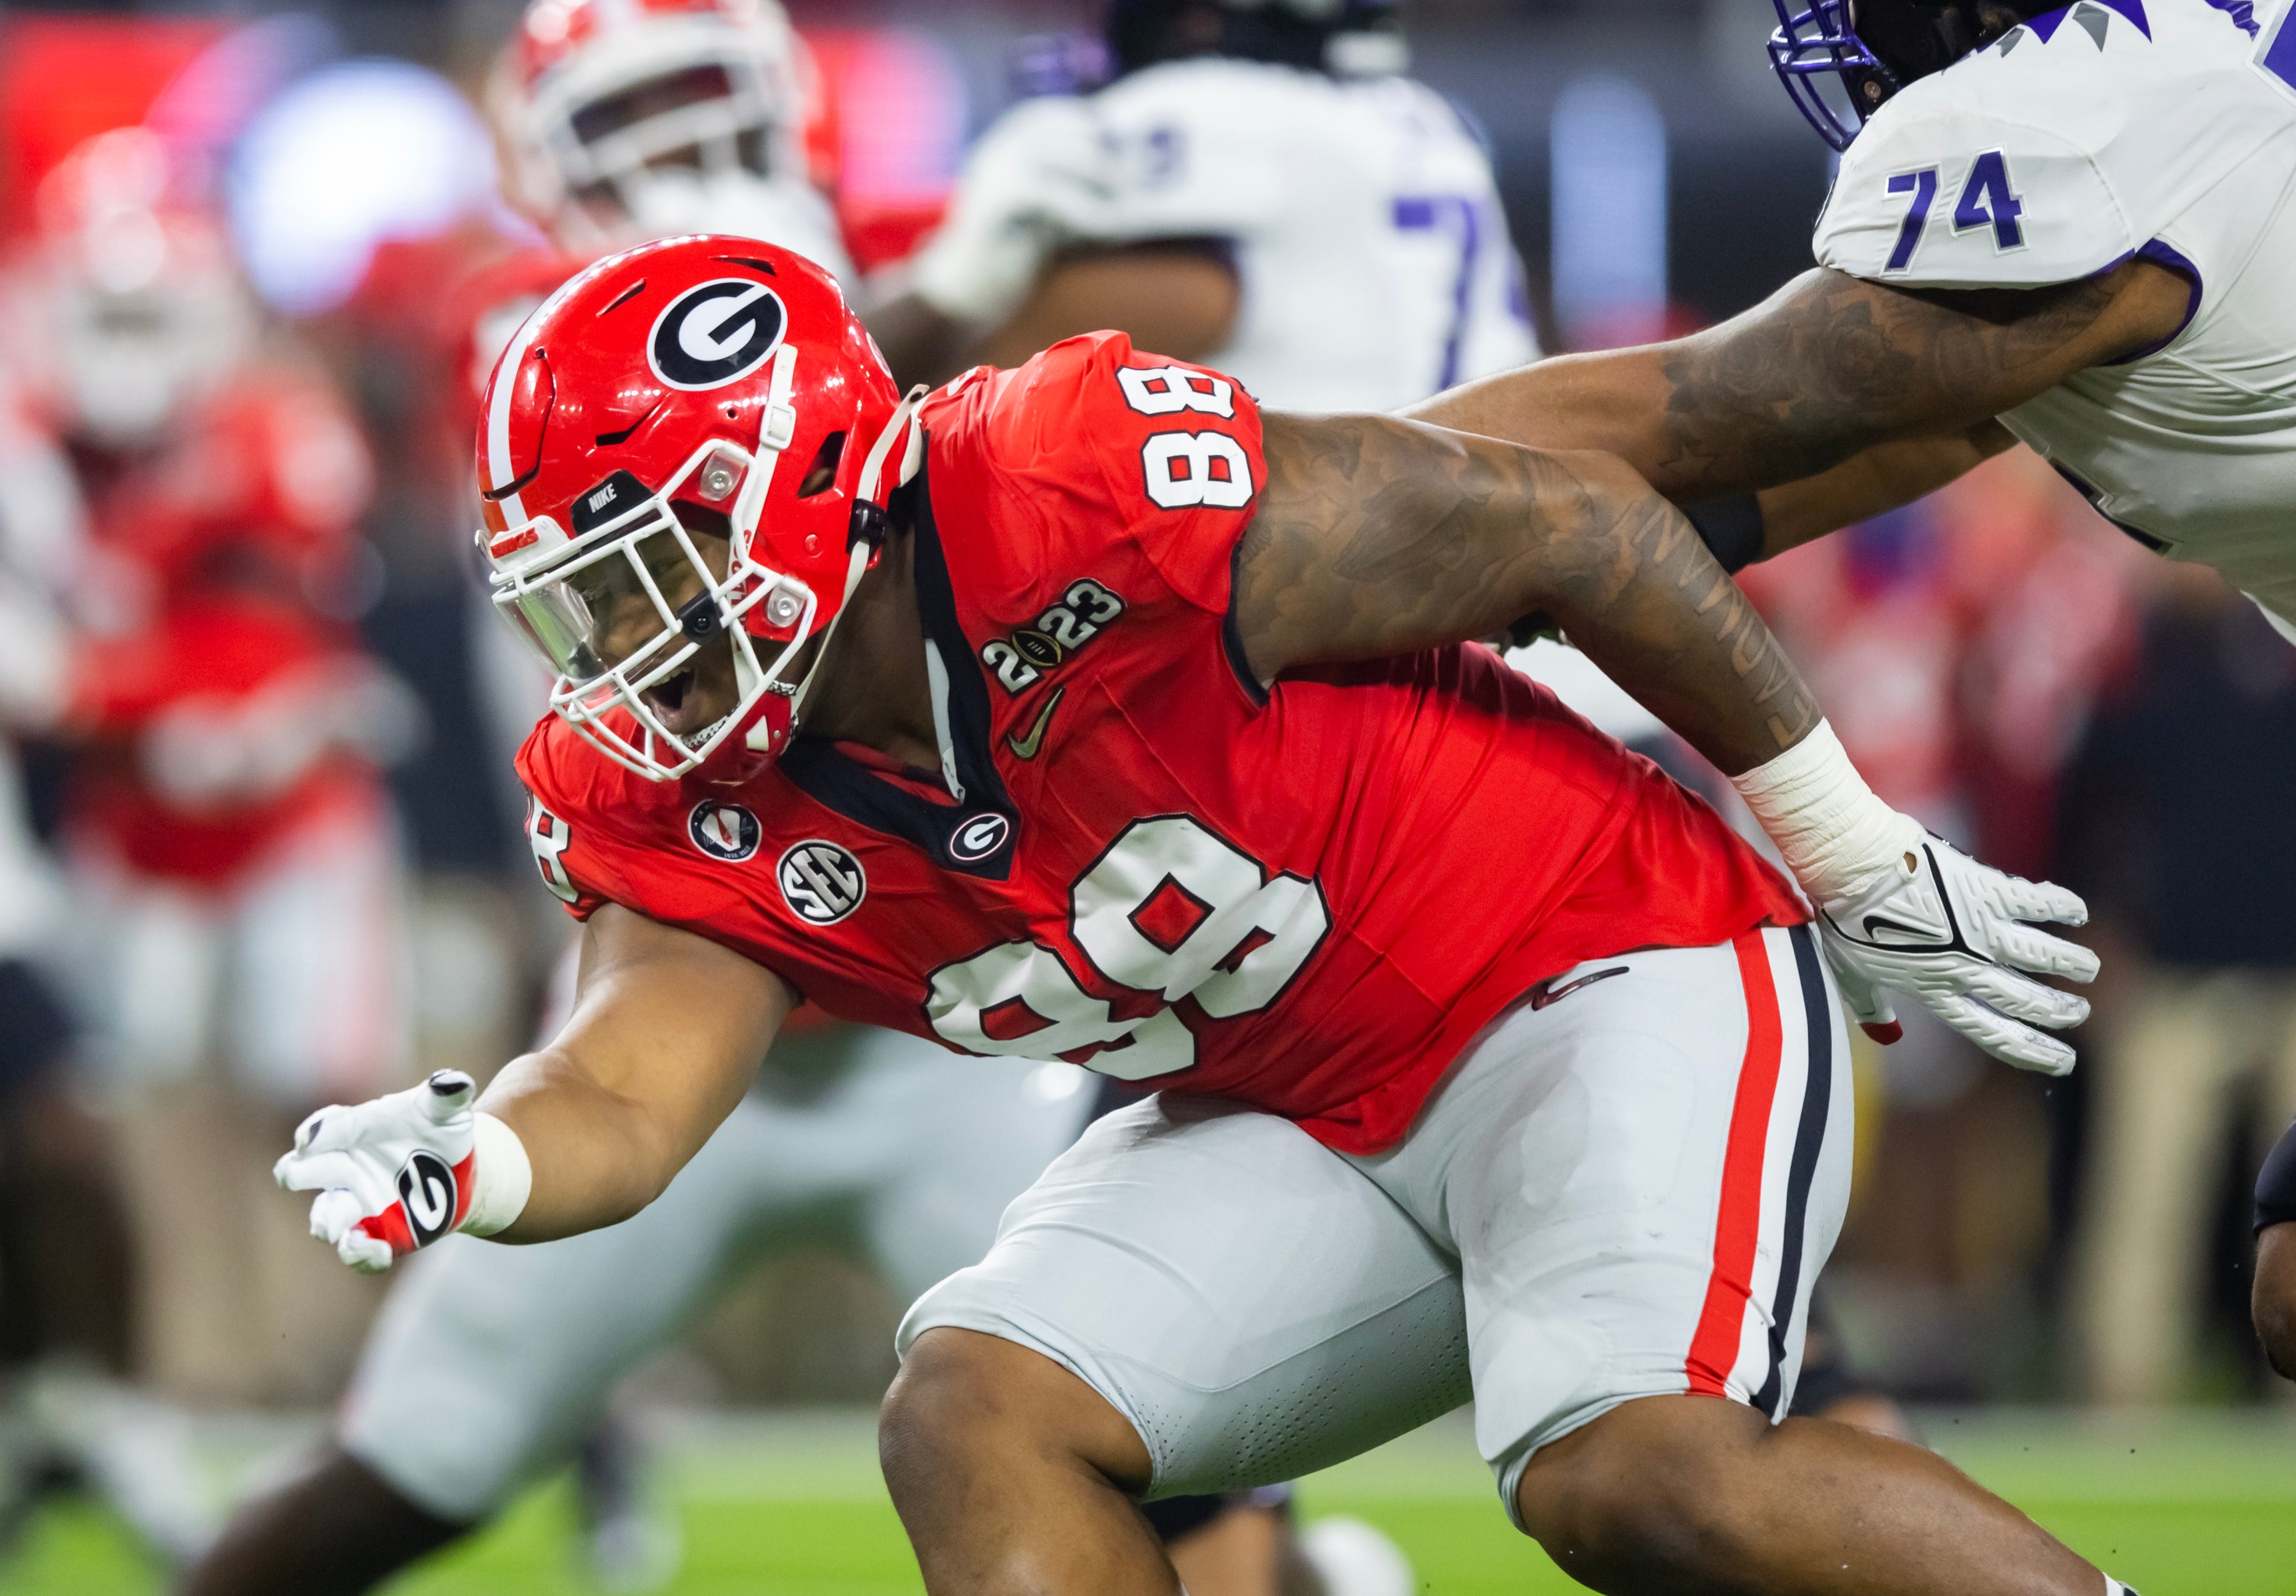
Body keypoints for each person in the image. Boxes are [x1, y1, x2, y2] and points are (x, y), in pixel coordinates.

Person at [275, 232, 2118, 1596]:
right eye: (584, 605)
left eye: (649, 578)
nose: (619, 657)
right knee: (976, 1406)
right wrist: (472, 1160)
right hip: (1292, 1098)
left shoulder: (1063, 479)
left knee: (1637, 1480)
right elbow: (616, 1092)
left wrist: (1846, 846)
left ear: (798, 496)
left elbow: (1581, 524)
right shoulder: (678, 792)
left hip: (1588, 961)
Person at [1412, 0, 2296, 673]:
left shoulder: (2081, 124)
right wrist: (1688, 526)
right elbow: (1957, 411)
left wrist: (1311, 478)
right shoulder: (2188, 80)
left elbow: (1715, 400)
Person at [871, 0, 1537, 400]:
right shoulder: (1433, 124)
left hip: (1328, 585)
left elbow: (972, 395)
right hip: (1475, 568)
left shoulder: (1203, 109)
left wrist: (949, 289)